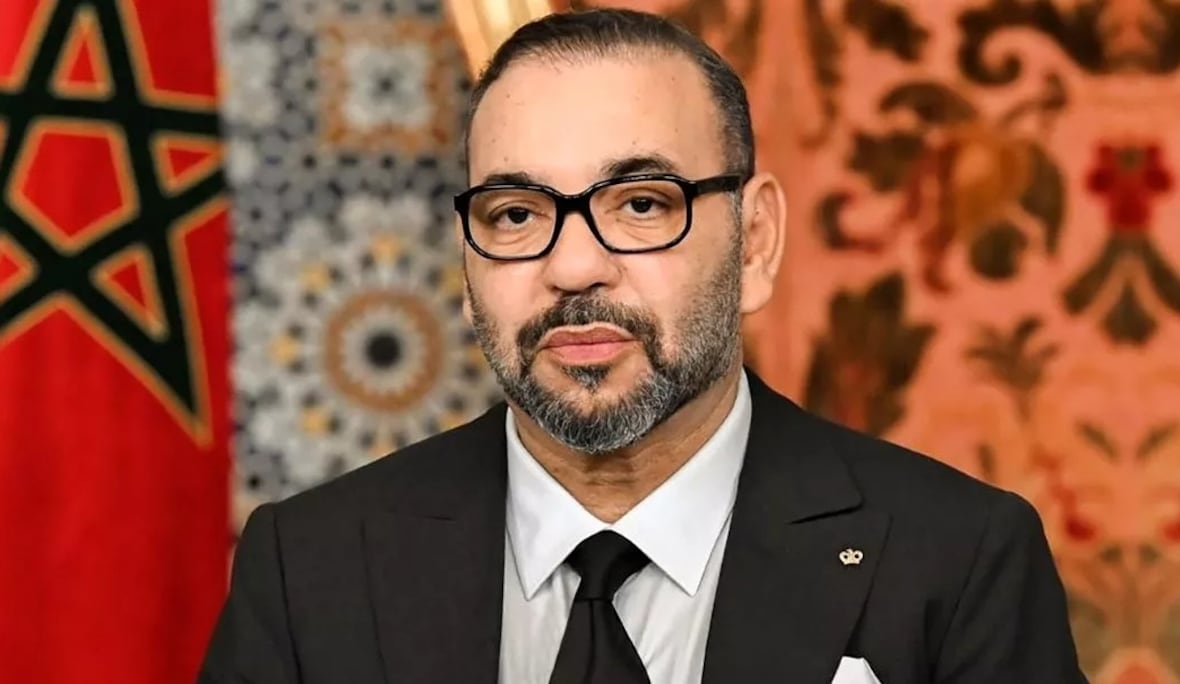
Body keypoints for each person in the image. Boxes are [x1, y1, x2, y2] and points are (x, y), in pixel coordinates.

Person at [200, 8, 1086, 684]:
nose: (573, 268)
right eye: (516, 215)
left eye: (641, 205)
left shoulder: (957, 561)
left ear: (755, 242)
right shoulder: (309, 568)